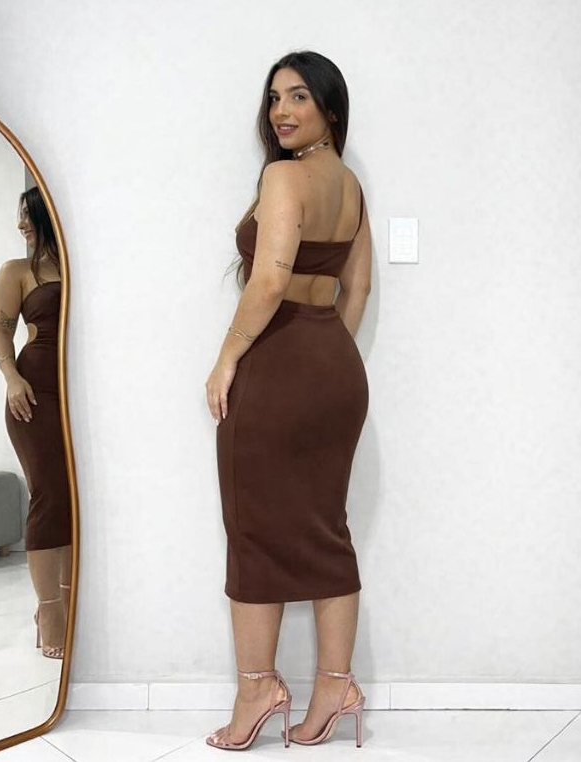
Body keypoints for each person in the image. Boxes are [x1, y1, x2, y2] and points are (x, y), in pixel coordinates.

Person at [204, 50, 371, 750]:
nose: (281, 111)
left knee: (253, 528)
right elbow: (357, 289)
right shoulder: (351, 186)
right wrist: (324, 355)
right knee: (326, 528)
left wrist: (228, 357)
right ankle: (335, 686)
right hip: (335, 368)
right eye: (274, 98)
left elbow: (269, 281)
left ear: (330, 107)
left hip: (276, 366)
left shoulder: (283, 176)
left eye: (299, 96)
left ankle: (257, 691)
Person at [0, 187, 72, 659]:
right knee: (49, 496)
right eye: (20, 216)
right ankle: (50, 610)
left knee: (75, 500)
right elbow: (1, 335)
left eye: (28, 215)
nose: (21, 224)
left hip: (78, 397)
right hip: (34, 396)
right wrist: (11, 378)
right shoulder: (16, 272)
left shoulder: (81, 269)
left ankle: (71, 599)